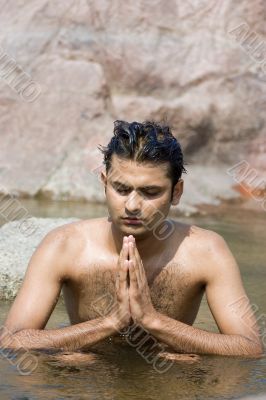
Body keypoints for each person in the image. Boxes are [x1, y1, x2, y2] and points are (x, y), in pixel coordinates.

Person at [0, 120, 263, 358]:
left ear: (176, 191)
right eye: (121, 189)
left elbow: (249, 348)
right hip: (87, 381)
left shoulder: (206, 251)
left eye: (150, 192)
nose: (133, 205)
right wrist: (109, 322)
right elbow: (11, 340)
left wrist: (153, 321)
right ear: (104, 183)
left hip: (167, 385)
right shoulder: (64, 246)